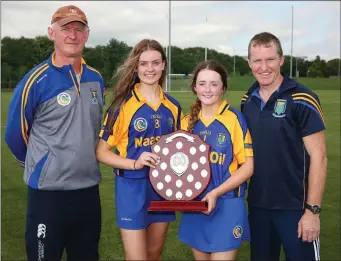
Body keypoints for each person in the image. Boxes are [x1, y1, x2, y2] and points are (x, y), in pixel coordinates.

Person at [5, 5, 104, 261]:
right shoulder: (34, 81)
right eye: (65, 29)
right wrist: (40, 166)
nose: (72, 35)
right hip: (48, 195)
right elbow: (15, 134)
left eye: (78, 29)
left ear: (87, 35)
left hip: (87, 192)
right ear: (52, 33)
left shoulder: (97, 78)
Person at [241, 32, 327, 261]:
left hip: (295, 209)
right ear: (249, 62)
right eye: (257, 60)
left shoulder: (302, 98)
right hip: (258, 206)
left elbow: (319, 157)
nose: (264, 67)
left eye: (270, 59)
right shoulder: (247, 100)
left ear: (281, 59)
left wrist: (313, 211)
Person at [96, 39, 183, 260]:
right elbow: (101, 151)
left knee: (154, 253)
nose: (150, 69)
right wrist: (135, 163)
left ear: (164, 65)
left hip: (162, 189)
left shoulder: (173, 107)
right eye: (144, 64)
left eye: (155, 63)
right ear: (136, 67)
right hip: (131, 189)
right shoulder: (121, 105)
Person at [178, 60, 254, 260]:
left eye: (214, 84)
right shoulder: (186, 123)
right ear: (195, 87)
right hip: (195, 205)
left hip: (227, 205)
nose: (207, 89)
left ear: (223, 88)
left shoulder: (234, 119)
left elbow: (248, 167)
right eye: (202, 83)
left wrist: (215, 193)